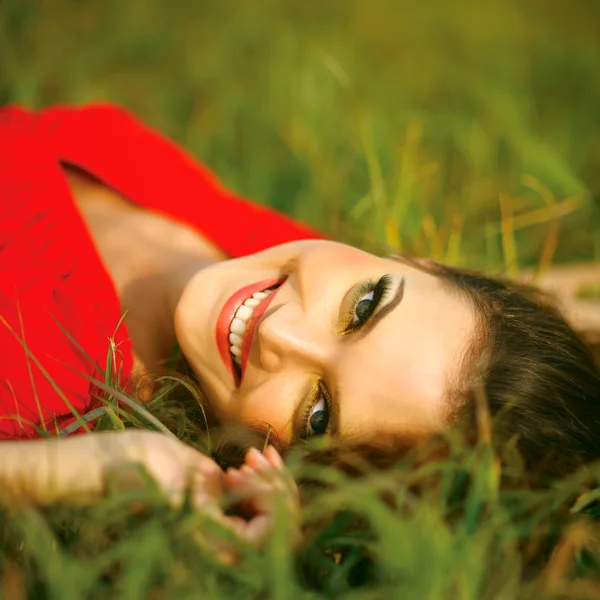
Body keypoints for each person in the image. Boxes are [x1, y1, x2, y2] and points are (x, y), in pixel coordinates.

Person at [0, 104, 599, 543]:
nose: (279, 332)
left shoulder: (44, 385)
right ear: (422, 263)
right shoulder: (257, 246)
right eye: (364, 307)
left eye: (316, 414)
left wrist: (72, 472)